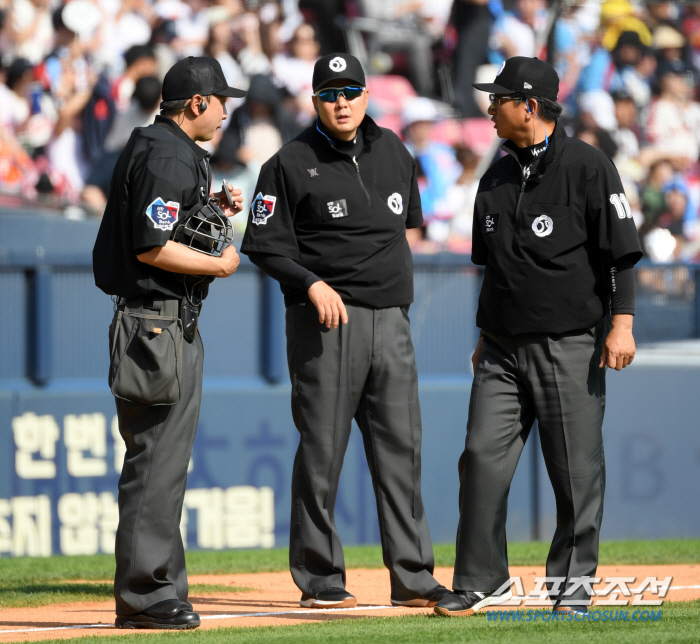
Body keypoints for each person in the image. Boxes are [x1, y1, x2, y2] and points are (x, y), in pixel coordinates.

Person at [434, 57, 643, 617]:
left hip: (569, 342)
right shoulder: (495, 176)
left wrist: (620, 322)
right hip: (501, 347)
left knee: (575, 473)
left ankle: (571, 590)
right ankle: (481, 580)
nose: (488, 108)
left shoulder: (588, 166)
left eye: (498, 99)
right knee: (480, 459)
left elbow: (620, 254)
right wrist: (483, 333)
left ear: (529, 105)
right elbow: (494, 267)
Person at [240, 53, 449, 610]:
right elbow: (262, 244)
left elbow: (406, 231)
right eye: (330, 93)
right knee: (322, 453)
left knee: (401, 453)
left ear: (365, 95)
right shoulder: (288, 162)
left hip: (392, 323)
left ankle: (413, 576)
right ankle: (321, 579)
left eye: (351, 91)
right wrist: (311, 283)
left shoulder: (395, 151)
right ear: (314, 101)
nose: (342, 102)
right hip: (326, 325)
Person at [92, 56, 246, 630]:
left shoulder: (164, 146)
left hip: (164, 319)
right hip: (155, 323)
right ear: (196, 104)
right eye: (220, 100)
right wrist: (221, 265)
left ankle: (161, 587)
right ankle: (144, 596)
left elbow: (169, 222)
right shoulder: (166, 152)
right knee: (154, 461)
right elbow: (152, 246)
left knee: (163, 463)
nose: (227, 111)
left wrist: (214, 210)